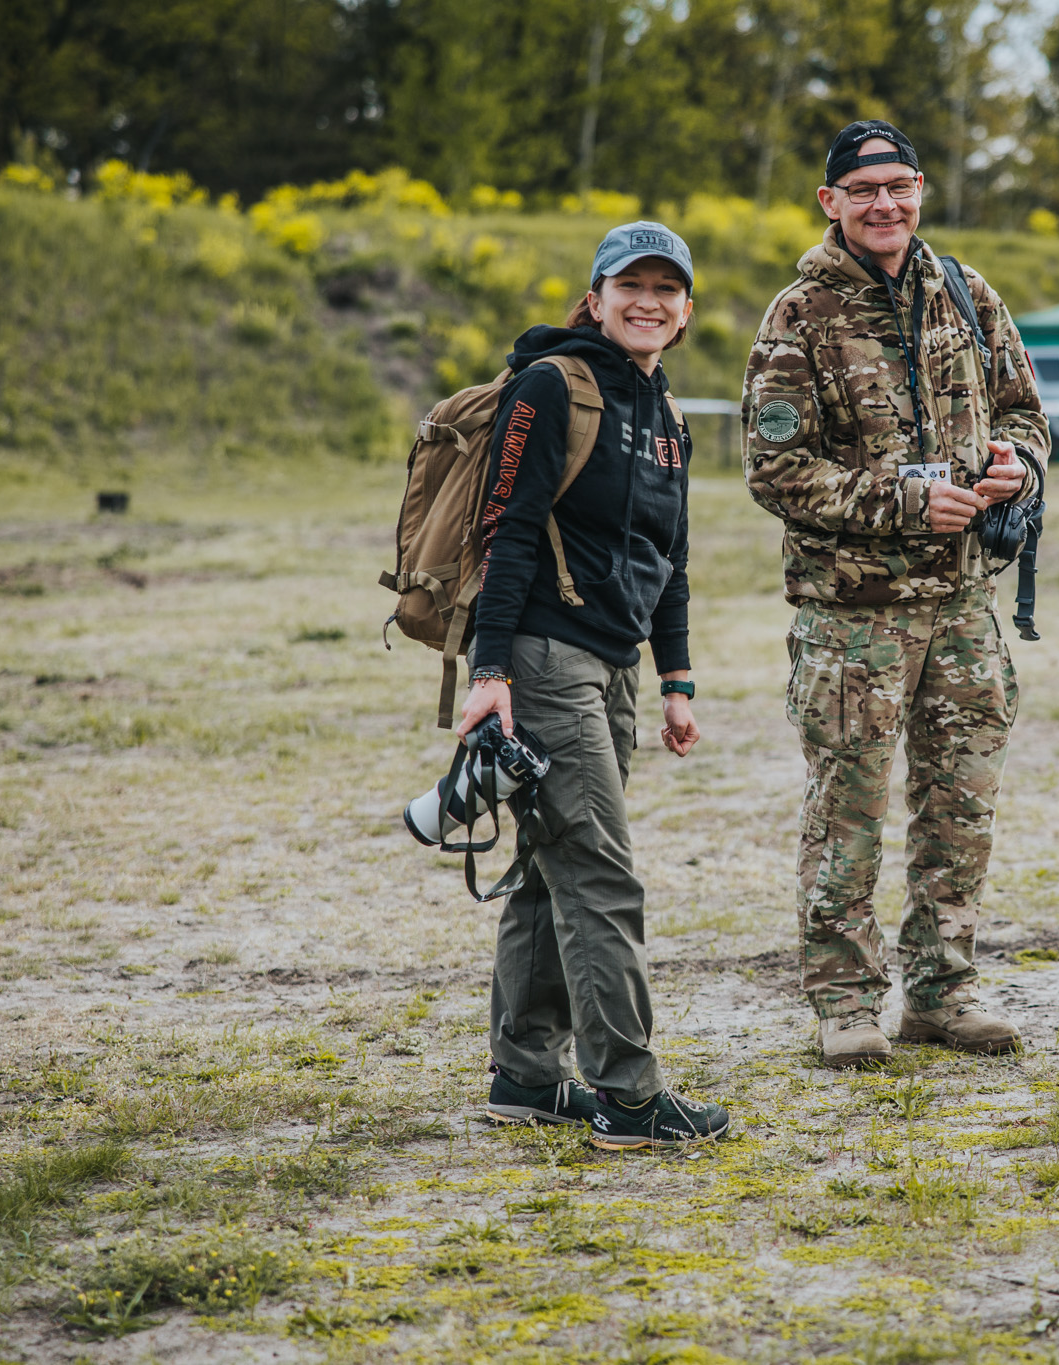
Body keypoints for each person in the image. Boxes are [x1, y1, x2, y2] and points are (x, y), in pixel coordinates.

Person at [742, 119, 1051, 1069]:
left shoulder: (966, 292)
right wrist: (906, 501)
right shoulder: (798, 316)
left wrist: (1016, 468)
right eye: (864, 190)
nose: (886, 205)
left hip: (964, 607)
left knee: (961, 808)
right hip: (854, 620)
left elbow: (1027, 415)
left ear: (921, 192)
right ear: (831, 203)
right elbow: (774, 469)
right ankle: (843, 1003)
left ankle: (942, 992)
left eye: (901, 186)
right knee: (848, 810)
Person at [462, 221, 730, 1149]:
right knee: (602, 875)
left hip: (614, 668)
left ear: (686, 308)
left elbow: (672, 557)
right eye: (630, 284)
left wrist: (676, 680)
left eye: (667, 287)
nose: (648, 301)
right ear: (596, 295)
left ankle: (527, 1076)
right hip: (545, 659)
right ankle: (627, 1093)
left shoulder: (668, 413)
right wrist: (488, 671)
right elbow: (509, 529)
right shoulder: (551, 386)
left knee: (551, 865)